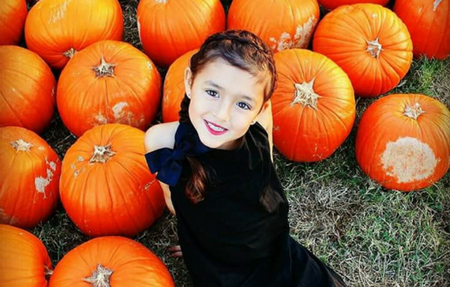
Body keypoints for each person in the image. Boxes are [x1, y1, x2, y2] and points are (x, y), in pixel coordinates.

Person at [144, 29, 346, 287]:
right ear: (189, 82)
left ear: (258, 110)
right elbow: (174, 202)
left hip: (263, 241)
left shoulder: (259, 127)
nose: (222, 114)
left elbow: (267, 164)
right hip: (214, 259)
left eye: (242, 104)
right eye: (213, 92)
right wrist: (196, 242)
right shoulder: (162, 142)